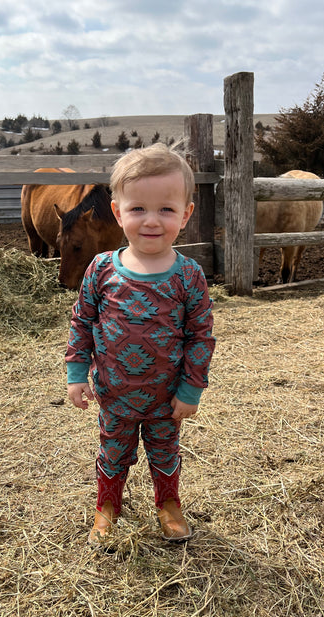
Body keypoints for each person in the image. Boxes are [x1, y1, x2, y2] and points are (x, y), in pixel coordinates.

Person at [65, 143, 216, 546]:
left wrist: (191, 389)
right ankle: (107, 507)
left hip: (167, 399)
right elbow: (82, 321)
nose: (152, 221)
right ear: (117, 212)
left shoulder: (189, 276)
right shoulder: (100, 269)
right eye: (138, 209)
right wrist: (76, 374)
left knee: (165, 453)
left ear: (185, 214)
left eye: (166, 209)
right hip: (114, 395)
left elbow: (201, 335)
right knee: (112, 453)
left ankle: (168, 505)